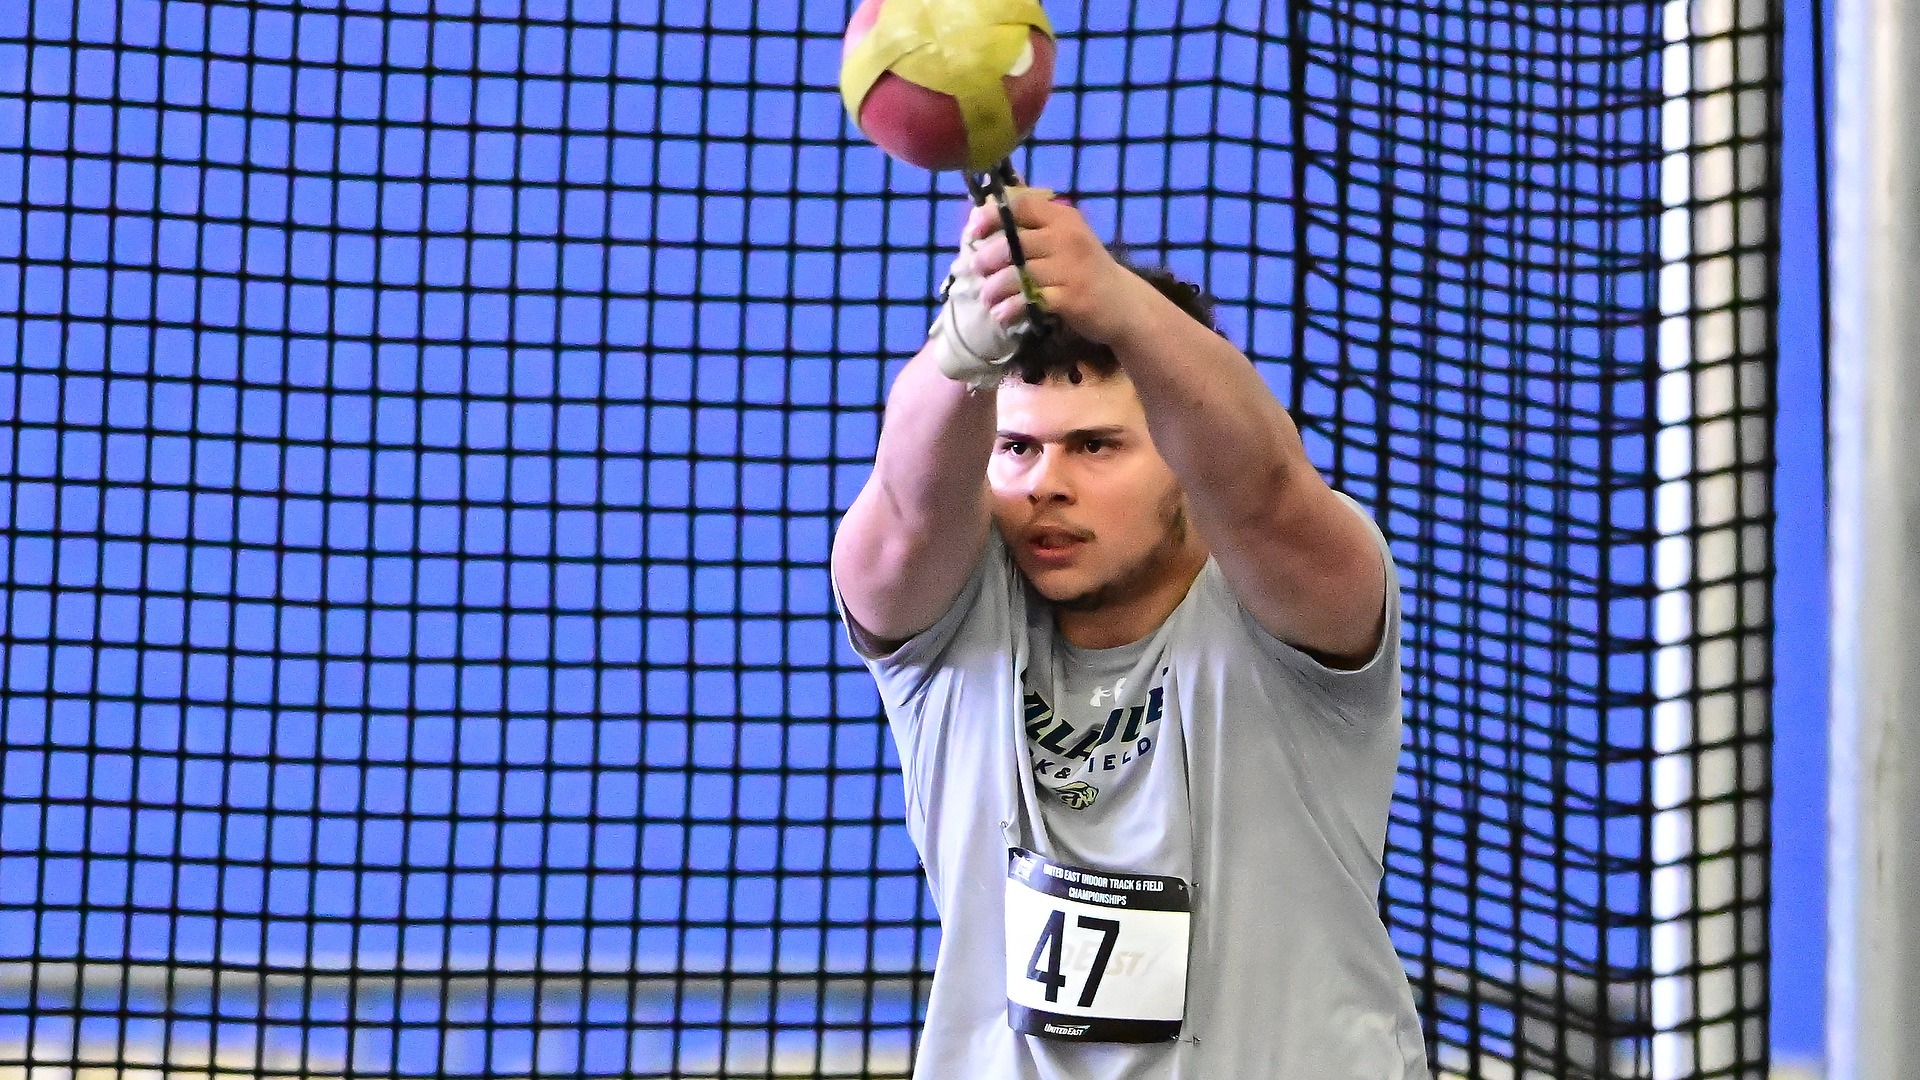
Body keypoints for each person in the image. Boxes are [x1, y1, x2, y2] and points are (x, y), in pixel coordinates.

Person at [830, 188, 1429, 1079]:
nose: (1046, 484)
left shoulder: (1296, 595)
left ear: (1182, 464)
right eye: (1019, 448)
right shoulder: (955, 630)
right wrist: (958, 350)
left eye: (1097, 446)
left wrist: (1116, 301)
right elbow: (909, 513)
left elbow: (1263, 490)